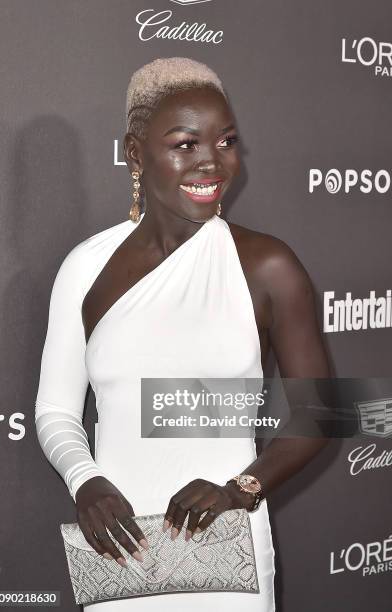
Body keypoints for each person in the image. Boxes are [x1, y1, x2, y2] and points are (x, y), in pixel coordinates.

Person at [35, 57, 331, 611]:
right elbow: (55, 411)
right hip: (119, 548)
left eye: (225, 142)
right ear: (134, 153)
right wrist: (85, 482)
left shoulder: (268, 266)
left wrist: (241, 489)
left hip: (228, 551)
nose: (211, 163)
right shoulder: (85, 268)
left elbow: (321, 413)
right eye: (184, 144)